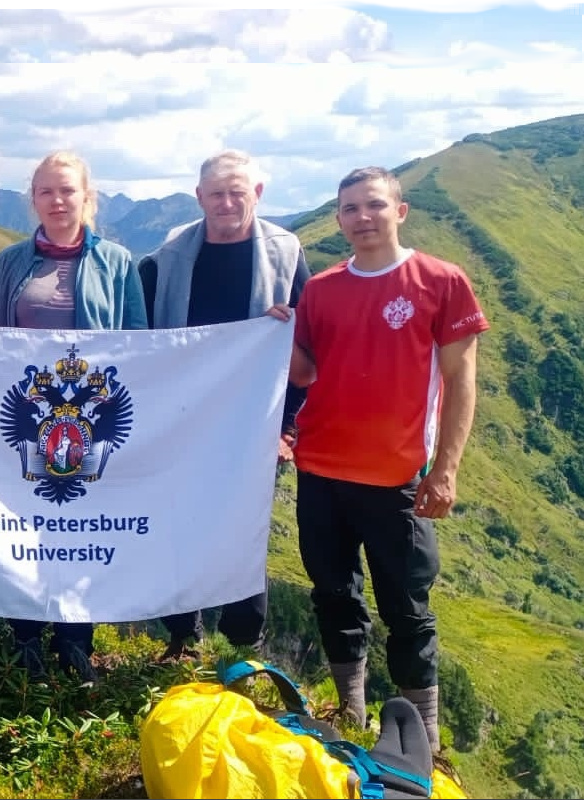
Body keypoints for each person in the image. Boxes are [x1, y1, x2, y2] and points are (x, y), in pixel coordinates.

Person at [288, 166, 489, 751]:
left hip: (397, 477)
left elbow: (461, 379)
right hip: (320, 468)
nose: (361, 218)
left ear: (400, 211)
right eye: (349, 208)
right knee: (333, 593)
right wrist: (273, 334)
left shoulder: (441, 281)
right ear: (339, 218)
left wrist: (445, 469)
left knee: (406, 605)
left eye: (374, 205)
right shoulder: (320, 289)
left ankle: (421, 732)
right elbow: (302, 371)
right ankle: (350, 708)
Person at [0, 149, 148, 686]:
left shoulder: (118, 264)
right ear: (33, 200)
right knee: (25, 525)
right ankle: (24, 639)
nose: (57, 200)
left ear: (86, 197)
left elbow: (142, 346)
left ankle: (76, 643)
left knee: (80, 527)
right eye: (46, 191)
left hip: (91, 425)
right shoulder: (6, 265)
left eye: (67, 190)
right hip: (28, 422)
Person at [137, 149, 309, 662]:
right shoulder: (167, 258)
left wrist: (288, 428)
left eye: (238, 191)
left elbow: (307, 343)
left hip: (254, 425)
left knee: (243, 532)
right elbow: (140, 341)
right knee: (177, 525)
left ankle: (243, 648)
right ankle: (181, 637)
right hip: (181, 424)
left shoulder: (286, 253)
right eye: (216, 193)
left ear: (257, 193)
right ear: (199, 198)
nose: (227, 202)